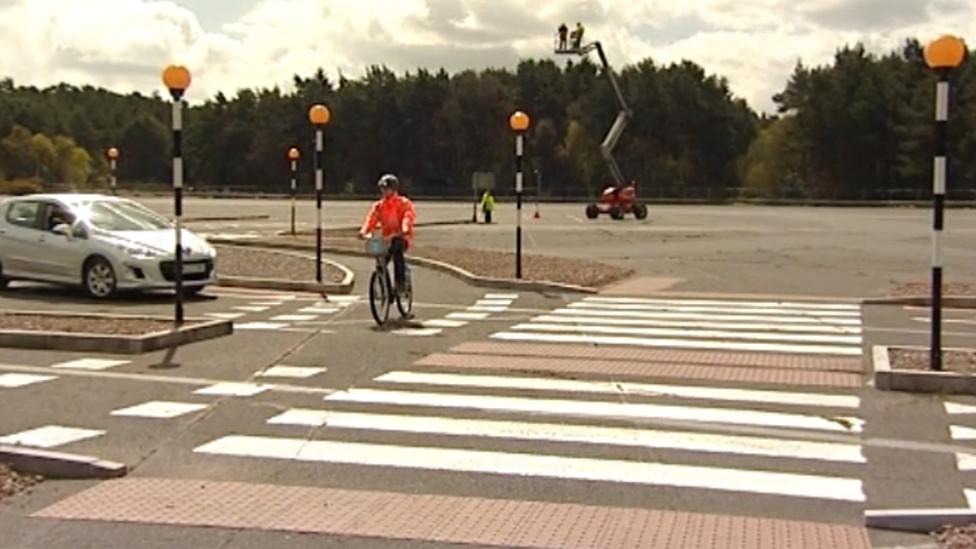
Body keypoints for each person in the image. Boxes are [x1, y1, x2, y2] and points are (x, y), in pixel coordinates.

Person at [358, 174, 416, 293]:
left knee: (397, 248)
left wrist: (405, 228)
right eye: (382, 188)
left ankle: (400, 282)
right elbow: (371, 220)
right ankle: (386, 289)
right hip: (386, 239)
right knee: (380, 261)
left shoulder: (403, 203)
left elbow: (408, 216)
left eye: (387, 188)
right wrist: (364, 231)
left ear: (394, 189)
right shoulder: (379, 206)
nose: (384, 191)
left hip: (401, 237)